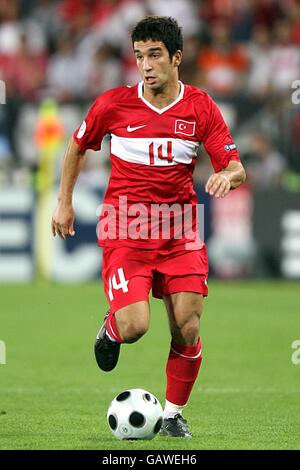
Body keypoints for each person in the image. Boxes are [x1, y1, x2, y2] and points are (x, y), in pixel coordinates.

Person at [51, 16, 246, 438]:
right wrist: (64, 201)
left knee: (188, 324)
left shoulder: (200, 107)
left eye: (154, 55)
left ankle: (173, 414)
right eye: (139, 56)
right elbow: (78, 145)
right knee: (136, 326)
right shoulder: (113, 104)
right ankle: (111, 327)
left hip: (180, 234)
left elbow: (235, 166)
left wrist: (226, 177)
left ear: (176, 58)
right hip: (127, 229)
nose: (146, 65)